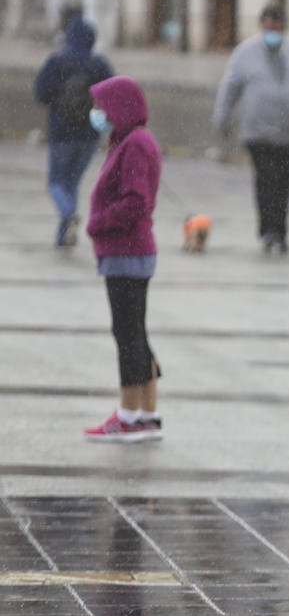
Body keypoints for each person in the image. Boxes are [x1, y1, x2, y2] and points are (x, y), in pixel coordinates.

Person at [82, 75, 164, 442]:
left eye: (101, 106)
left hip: (126, 252)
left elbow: (134, 202)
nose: (96, 113)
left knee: (127, 334)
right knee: (135, 333)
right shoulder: (131, 141)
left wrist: (97, 223)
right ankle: (147, 413)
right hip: (127, 253)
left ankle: (130, 415)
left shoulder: (134, 145)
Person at [212, 5, 289, 253]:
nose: (274, 32)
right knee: (266, 179)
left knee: (283, 182)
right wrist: (222, 119)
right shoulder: (245, 53)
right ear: (262, 26)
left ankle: (281, 231)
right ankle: (268, 230)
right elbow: (230, 87)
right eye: (269, 27)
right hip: (257, 130)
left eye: (278, 27)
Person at [33, 15, 114, 247]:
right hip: (89, 135)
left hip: (61, 133)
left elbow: (40, 94)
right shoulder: (99, 65)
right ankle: (64, 235)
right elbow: (114, 95)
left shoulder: (57, 62)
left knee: (56, 182)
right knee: (71, 183)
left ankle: (68, 215)